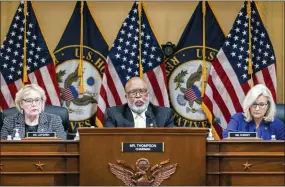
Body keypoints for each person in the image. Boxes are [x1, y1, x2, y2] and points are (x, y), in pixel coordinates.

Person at [1, 84, 66, 140]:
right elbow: (3, 147)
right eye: (29, 100)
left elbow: (61, 147)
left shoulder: (54, 120)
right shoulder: (10, 121)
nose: (34, 104)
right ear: (21, 104)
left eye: (37, 100)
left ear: (42, 102)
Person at [104, 77, 174, 128]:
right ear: (126, 96)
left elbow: (170, 142)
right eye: (133, 92)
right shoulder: (113, 114)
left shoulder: (165, 114)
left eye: (142, 91)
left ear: (148, 94)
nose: (138, 96)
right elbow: (111, 141)